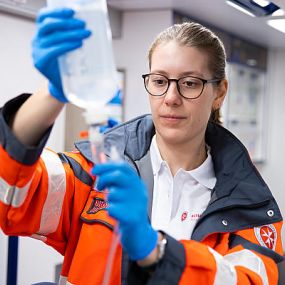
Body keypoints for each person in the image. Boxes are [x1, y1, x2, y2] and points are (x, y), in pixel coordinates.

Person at [0, 7, 283, 285]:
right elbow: (12, 199)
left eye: (189, 83)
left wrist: (153, 250)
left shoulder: (248, 207)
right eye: (159, 81)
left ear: (219, 92)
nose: (171, 97)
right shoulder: (96, 175)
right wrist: (53, 92)